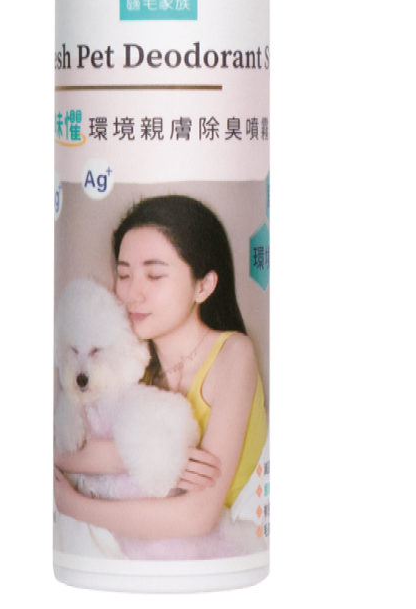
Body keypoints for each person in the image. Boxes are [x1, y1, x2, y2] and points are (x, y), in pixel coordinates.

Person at [53, 195, 268, 542]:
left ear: (203, 286)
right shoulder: (129, 366)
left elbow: (197, 516)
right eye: (124, 274)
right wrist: (149, 454)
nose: (132, 294)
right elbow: (64, 450)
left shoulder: (233, 353)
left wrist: (74, 505)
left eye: (154, 275)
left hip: (220, 546)